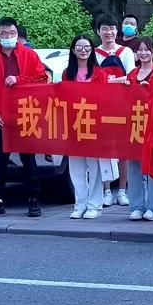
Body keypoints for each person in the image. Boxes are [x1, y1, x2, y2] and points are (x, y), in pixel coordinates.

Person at [0, 17, 48, 218]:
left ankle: (34, 200)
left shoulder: (29, 55)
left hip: (25, 115)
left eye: (11, 33)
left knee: (28, 160)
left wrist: (19, 79)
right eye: (3, 34)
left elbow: (42, 79)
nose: (8, 37)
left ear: (17, 34)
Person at [63, 35, 107, 219]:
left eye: (87, 47)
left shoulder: (99, 73)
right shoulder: (67, 73)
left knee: (94, 166)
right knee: (76, 166)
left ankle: (94, 204)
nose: (83, 51)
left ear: (92, 50)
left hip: (93, 124)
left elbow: (105, 98)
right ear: (73, 50)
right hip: (73, 124)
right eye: (79, 47)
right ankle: (79, 204)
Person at [126, 37, 153, 221]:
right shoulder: (132, 75)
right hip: (135, 126)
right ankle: (136, 205)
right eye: (140, 50)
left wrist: (149, 89)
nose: (143, 53)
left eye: (147, 49)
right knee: (134, 167)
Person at [94, 13, 135, 207]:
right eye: (104, 28)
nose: (108, 32)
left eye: (111, 28)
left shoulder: (125, 52)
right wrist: (115, 81)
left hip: (122, 106)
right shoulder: (94, 53)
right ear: (98, 32)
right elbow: (94, 80)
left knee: (123, 151)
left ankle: (123, 191)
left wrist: (109, 81)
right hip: (101, 107)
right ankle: (106, 190)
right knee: (104, 149)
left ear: (116, 31)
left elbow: (131, 78)